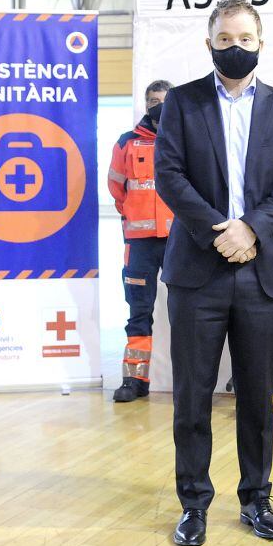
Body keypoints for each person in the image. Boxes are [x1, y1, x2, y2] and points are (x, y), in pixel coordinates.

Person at [154, 0, 273, 546]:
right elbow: (169, 175)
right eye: (225, 39)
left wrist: (251, 229)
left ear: (261, 43)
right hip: (197, 269)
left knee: (257, 394)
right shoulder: (182, 102)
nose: (235, 47)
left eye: (245, 38)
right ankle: (193, 503)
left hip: (260, 269)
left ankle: (256, 498)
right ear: (209, 44)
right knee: (192, 394)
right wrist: (219, 231)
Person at [106, 79, 174, 403]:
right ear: (145, 105)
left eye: (164, 100)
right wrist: (135, 213)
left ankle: (189, 382)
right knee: (138, 311)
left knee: (187, 313)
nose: (157, 106)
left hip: (179, 242)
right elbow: (116, 188)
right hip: (140, 245)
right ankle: (134, 381)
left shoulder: (185, 140)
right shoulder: (127, 143)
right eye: (152, 101)